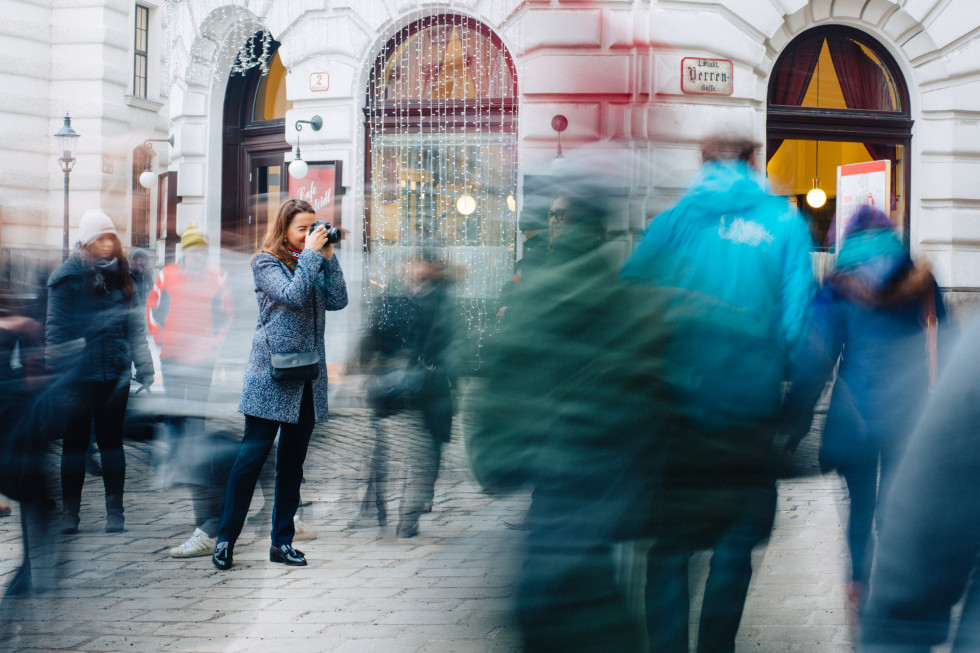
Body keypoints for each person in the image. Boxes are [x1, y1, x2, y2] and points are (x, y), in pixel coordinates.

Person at [620, 136, 815, 653]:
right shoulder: (784, 223)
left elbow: (629, 304)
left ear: (702, 162)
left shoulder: (674, 221)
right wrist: (795, 409)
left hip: (676, 410)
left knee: (669, 548)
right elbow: (798, 324)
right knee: (733, 546)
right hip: (750, 411)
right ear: (755, 162)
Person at [469, 181, 669, 652]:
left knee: (556, 599)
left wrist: (499, 458)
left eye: (561, 216)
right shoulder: (625, 296)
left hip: (559, 483)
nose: (554, 223)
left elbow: (503, 392)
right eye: (551, 215)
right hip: (608, 489)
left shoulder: (542, 294)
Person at [783, 205, 946, 617]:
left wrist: (794, 420)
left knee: (861, 506)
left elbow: (816, 357)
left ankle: (860, 585)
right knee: (897, 503)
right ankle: (896, 583)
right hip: (910, 415)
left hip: (856, 416)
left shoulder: (838, 288)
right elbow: (947, 346)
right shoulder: (922, 282)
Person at [212, 198, 347, 570]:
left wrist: (329, 257)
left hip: (305, 377)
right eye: (301, 228)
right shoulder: (265, 262)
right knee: (250, 460)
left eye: (312, 227)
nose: (309, 234)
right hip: (270, 377)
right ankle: (225, 540)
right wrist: (312, 257)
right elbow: (292, 295)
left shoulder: (315, 260)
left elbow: (338, 300)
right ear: (284, 229)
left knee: (292, 465)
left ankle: (281, 543)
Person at [860, 317, 979, 652]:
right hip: (905, 408)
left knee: (862, 507)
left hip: (864, 415)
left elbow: (921, 538)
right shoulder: (923, 286)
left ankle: (854, 577)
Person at [46, 208, 155, 534]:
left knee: (111, 445)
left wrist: (144, 366)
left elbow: (134, 327)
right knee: (75, 446)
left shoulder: (124, 277)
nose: (107, 244)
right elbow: (56, 330)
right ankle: (70, 514)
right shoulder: (66, 278)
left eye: (111, 237)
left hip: (115, 375)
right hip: (77, 377)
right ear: (87, 241)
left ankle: (115, 513)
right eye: (100, 238)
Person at [354, 247, 461, 538]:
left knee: (429, 449)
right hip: (396, 386)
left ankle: (413, 508)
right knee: (394, 449)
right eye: (410, 262)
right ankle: (394, 508)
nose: (414, 267)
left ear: (434, 266)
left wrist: (441, 374)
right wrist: (369, 367)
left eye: (421, 262)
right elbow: (373, 332)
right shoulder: (393, 297)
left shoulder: (444, 299)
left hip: (432, 385)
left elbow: (452, 343)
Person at [146, 223, 234, 557]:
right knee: (173, 412)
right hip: (173, 356)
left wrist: (213, 347)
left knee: (196, 411)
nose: (198, 255)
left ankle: (194, 461)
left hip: (202, 359)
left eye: (202, 250)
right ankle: (176, 459)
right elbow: (152, 310)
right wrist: (160, 341)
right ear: (185, 252)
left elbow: (225, 316)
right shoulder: (167, 276)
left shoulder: (218, 278)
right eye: (193, 250)